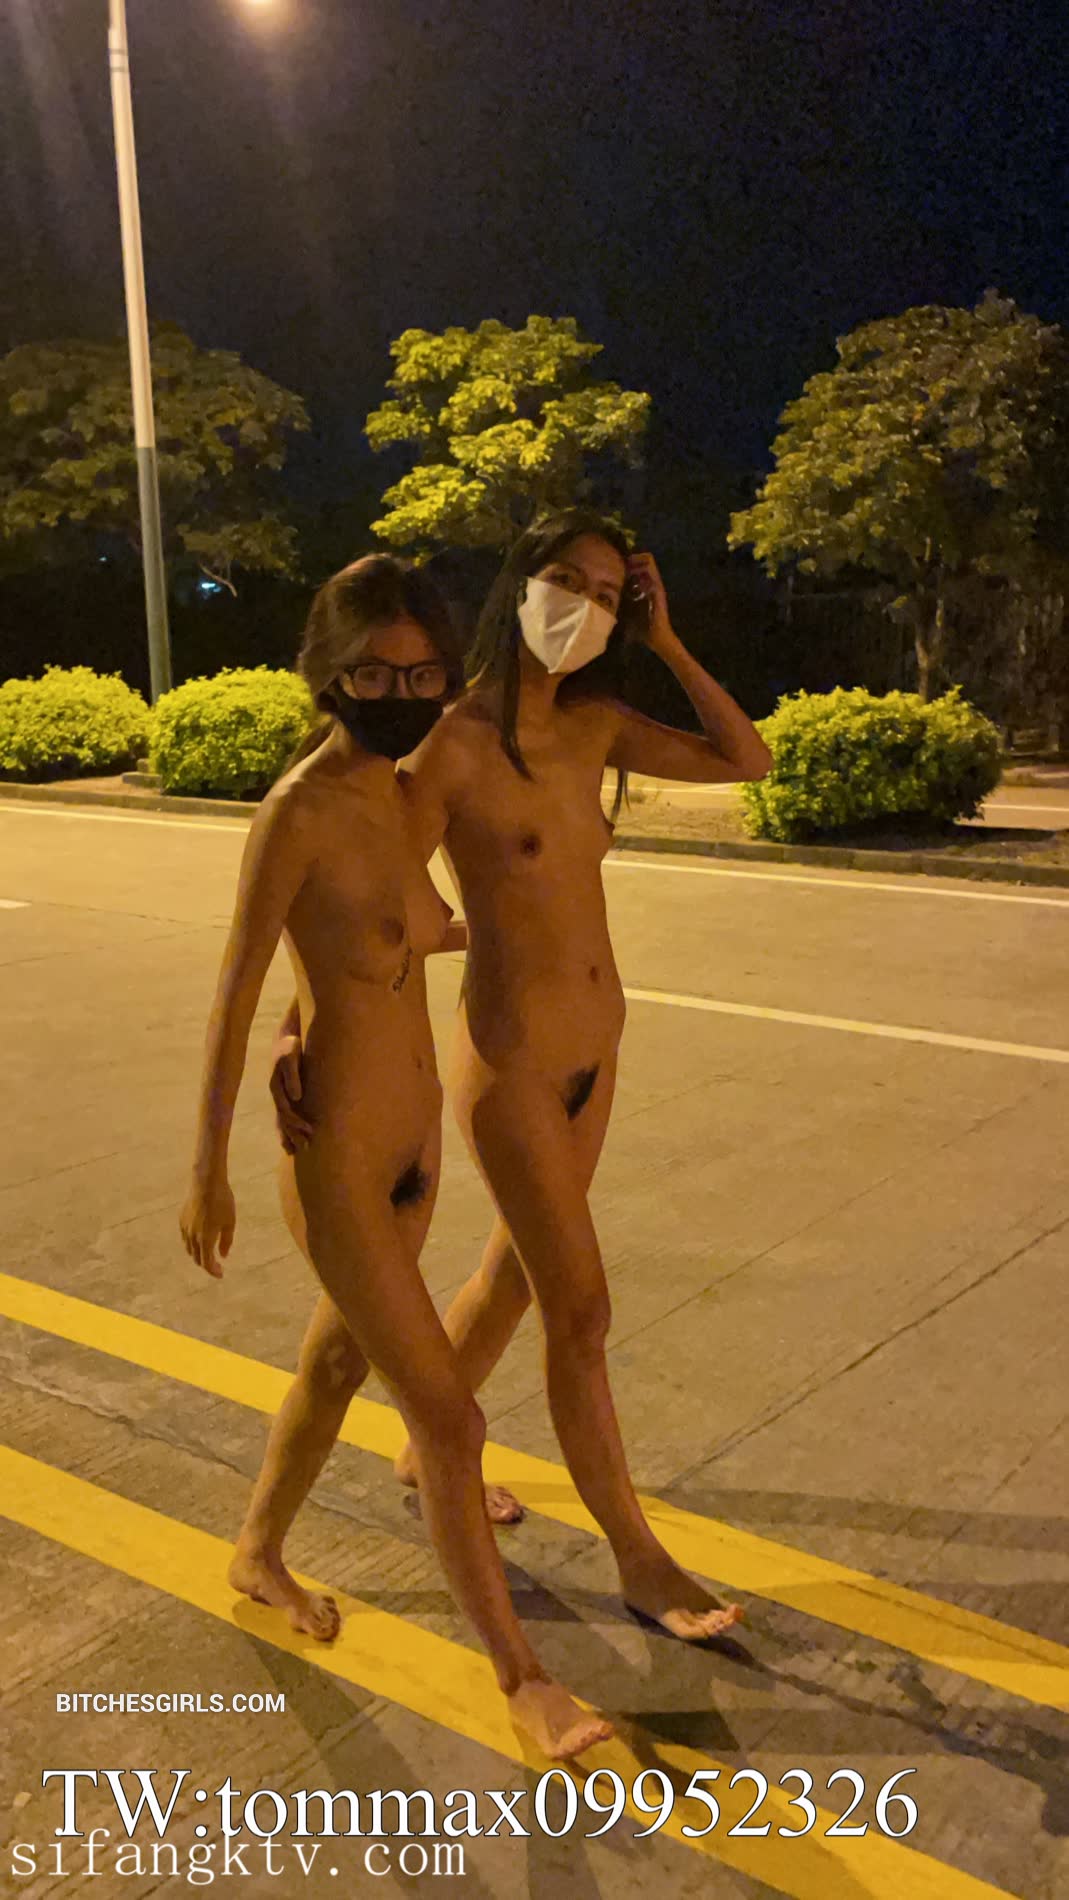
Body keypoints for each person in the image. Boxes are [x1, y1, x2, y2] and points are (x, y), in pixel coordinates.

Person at [267, 511, 772, 1642]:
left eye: (607, 593)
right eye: (563, 580)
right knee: (580, 1308)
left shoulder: (595, 727)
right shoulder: (449, 744)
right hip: (512, 1067)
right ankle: (637, 1558)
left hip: (598, 1050)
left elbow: (748, 759)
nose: (581, 607)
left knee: (511, 1279)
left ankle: (419, 1446)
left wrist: (669, 644)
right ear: (518, 585)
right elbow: (368, 904)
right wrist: (295, 1028)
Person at [179, 553, 614, 1761]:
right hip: (339, 1157)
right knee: (449, 1419)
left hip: (414, 1146)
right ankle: (522, 1678)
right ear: (327, 673)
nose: (400, 693)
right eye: (372, 673)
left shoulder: (400, 795)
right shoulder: (299, 809)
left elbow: (386, 939)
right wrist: (208, 1166)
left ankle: (256, 1550)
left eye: (422, 673)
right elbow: (237, 984)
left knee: (333, 1366)